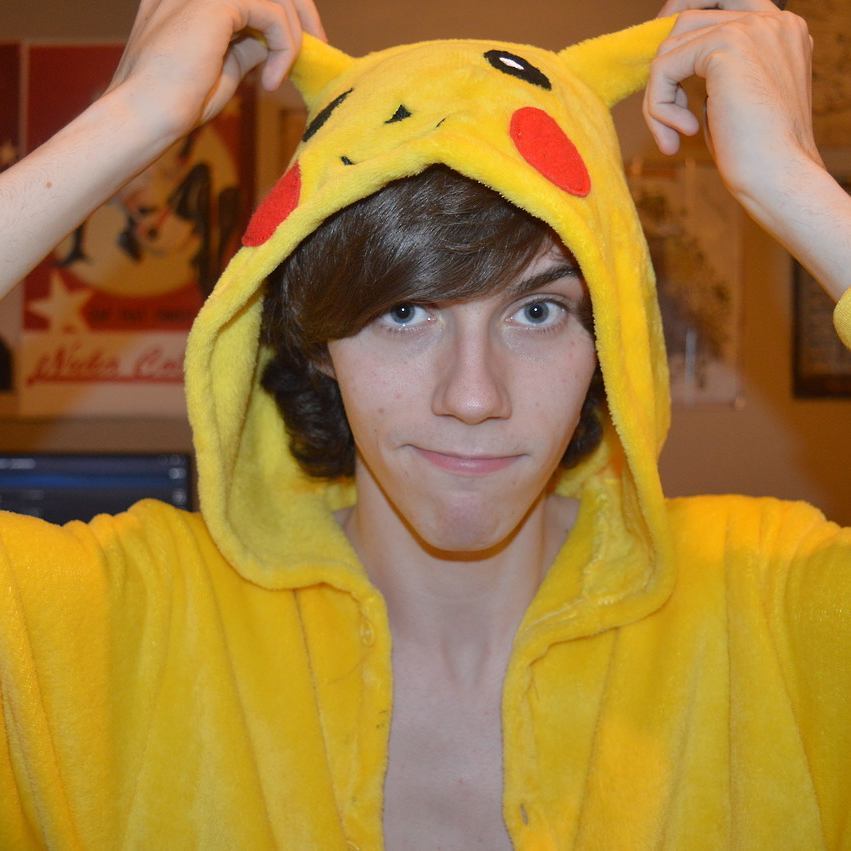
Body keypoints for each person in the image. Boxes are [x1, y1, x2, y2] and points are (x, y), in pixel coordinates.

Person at [0, 1, 850, 849]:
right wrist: (133, 117)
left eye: (539, 311)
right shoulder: (132, 621)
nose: (473, 396)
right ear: (319, 341)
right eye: (404, 311)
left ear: (611, 340)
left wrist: (790, 181)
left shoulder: (763, 607)